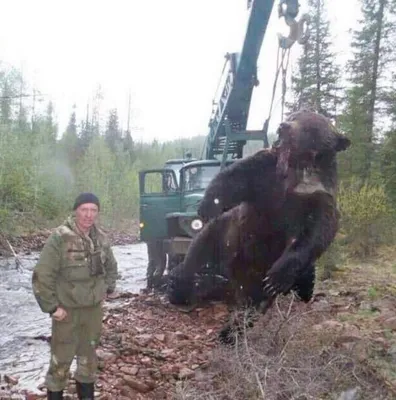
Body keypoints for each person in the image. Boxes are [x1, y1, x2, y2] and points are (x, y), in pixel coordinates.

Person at [32, 193, 118, 400]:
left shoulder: (102, 239)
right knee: (60, 362)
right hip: (66, 312)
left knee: (88, 360)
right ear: (76, 211)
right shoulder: (60, 238)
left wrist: (107, 289)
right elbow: (42, 275)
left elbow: (112, 267)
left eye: (93, 210)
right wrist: (52, 307)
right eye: (84, 210)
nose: (89, 215)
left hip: (93, 311)